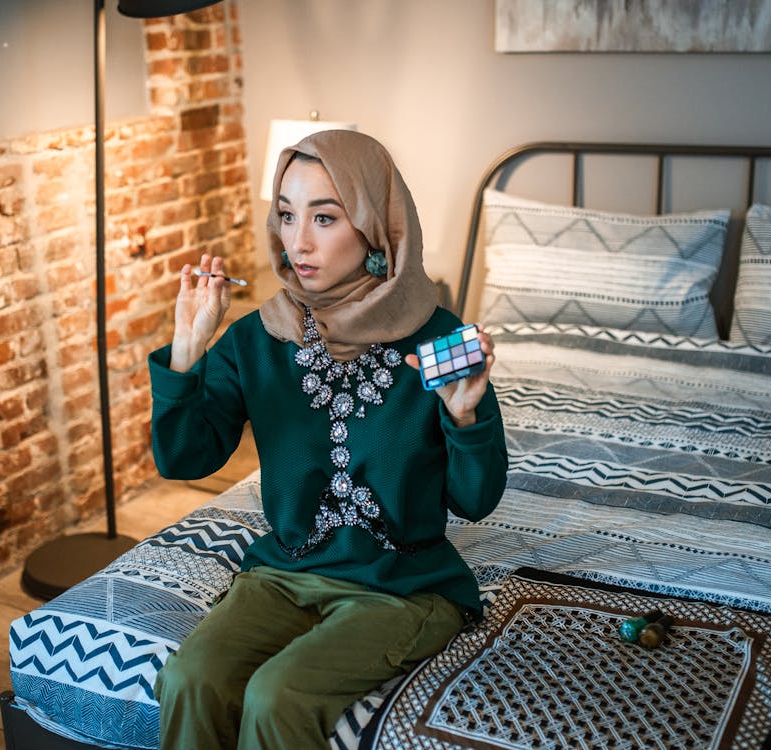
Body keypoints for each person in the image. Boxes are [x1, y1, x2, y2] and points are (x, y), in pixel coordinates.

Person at [148, 129, 507, 749]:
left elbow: (475, 502)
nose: (298, 241)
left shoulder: (437, 338)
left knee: (276, 695)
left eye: (324, 217)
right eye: (286, 216)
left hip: (402, 587)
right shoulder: (257, 338)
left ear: (372, 226)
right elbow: (186, 457)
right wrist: (187, 351)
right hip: (283, 573)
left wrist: (465, 420)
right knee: (189, 678)